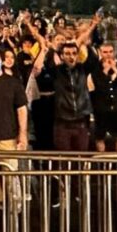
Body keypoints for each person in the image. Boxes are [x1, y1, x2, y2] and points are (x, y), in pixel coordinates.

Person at [37, 15, 101, 151]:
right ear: (61, 56)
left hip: (81, 120)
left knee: (81, 155)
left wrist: (92, 27)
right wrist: (51, 45)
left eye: (73, 53)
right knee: (64, 157)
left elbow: (93, 59)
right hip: (62, 121)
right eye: (67, 53)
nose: (70, 56)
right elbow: (47, 60)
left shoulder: (83, 69)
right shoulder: (56, 71)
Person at [88, 43, 117, 153]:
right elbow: (93, 89)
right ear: (100, 53)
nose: (108, 55)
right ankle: (102, 160)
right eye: (105, 52)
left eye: (110, 52)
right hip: (101, 109)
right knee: (99, 136)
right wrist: (105, 73)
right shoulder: (94, 69)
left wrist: (116, 73)